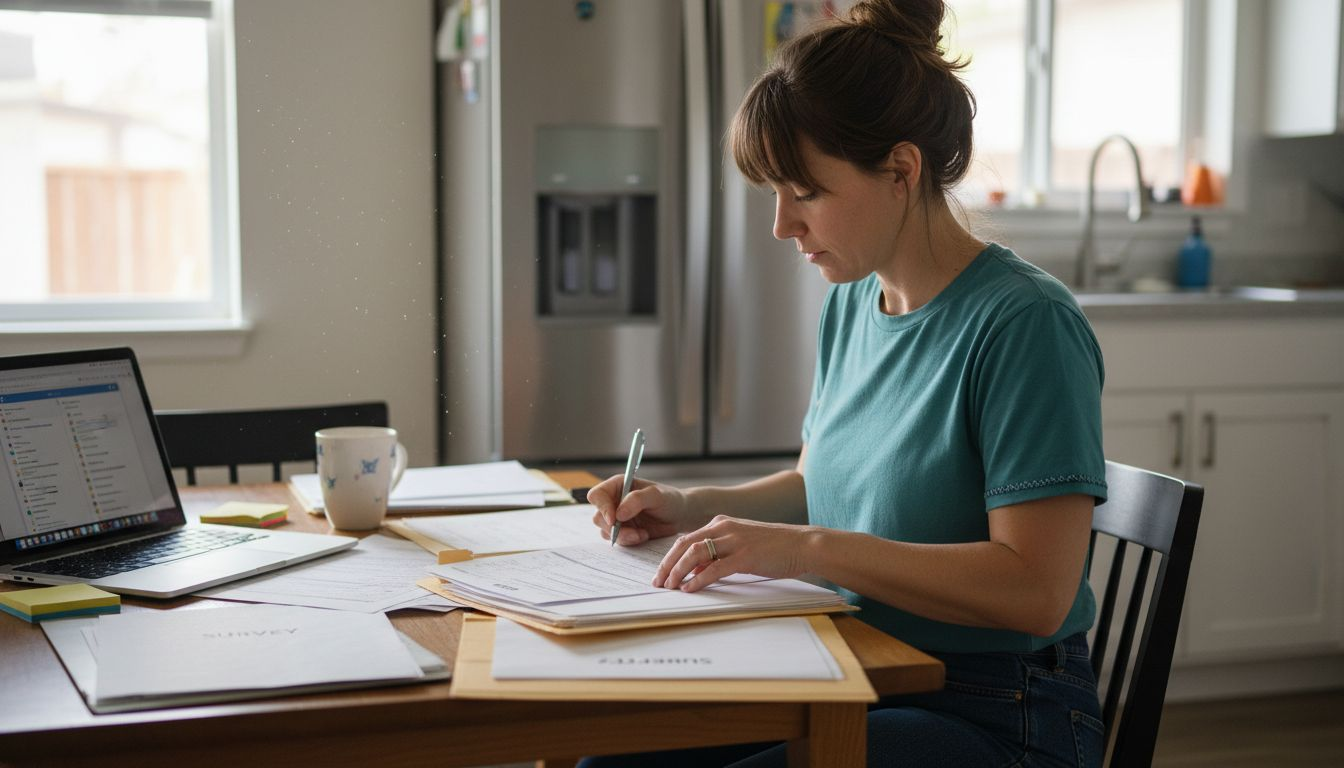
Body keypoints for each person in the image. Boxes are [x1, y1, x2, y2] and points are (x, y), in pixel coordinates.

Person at [582, 0, 1107, 766]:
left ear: (901, 170)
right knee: (611, 759)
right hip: (859, 665)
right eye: (773, 192)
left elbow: (1035, 589)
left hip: (1001, 712)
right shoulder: (852, 305)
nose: (781, 225)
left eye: (806, 192)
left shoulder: (1025, 325)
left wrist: (807, 551)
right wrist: (691, 509)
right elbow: (814, 482)